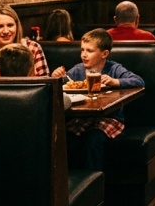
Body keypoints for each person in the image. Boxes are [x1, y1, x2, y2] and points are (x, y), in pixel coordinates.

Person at [51, 29, 144, 172]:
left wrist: (115, 82)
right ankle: (71, 184)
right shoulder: (78, 70)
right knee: (67, 139)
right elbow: (62, 84)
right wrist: (57, 77)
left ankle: (94, 183)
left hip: (110, 117)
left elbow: (138, 81)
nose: (84, 54)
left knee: (92, 140)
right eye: (82, 49)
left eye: (89, 51)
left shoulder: (113, 68)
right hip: (82, 118)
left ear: (104, 54)